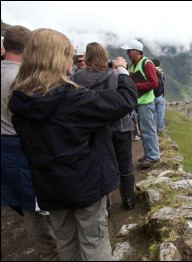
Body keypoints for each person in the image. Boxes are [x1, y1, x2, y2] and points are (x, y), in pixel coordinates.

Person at [8, 28, 137, 261]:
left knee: (66, 244)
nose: (71, 59)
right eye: (68, 54)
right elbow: (125, 101)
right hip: (84, 183)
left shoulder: (19, 100)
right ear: (57, 58)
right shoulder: (73, 99)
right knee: (94, 242)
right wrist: (122, 71)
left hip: (49, 185)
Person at [1, 25, 59, 261]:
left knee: (28, 207)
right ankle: (53, 255)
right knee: (39, 209)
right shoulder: (22, 81)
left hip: (6, 151)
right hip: (22, 150)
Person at [73, 42, 136, 210]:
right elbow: (129, 96)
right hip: (120, 127)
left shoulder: (78, 77)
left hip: (96, 129)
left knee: (101, 166)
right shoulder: (116, 76)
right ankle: (129, 200)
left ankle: (105, 207)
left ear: (87, 58)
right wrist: (122, 69)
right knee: (125, 165)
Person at [121, 39, 161, 168]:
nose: (127, 53)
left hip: (146, 102)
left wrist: (134, 85)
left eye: (129, 51)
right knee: (143, 129)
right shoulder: (132, 65)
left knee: (148, 129)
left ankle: (153, 155)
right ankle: (148, 153)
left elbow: (154, 83)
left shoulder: (146, 64)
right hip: (138, 102)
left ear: (136, 51)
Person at [152, 58, 165, 135]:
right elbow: (163, 80)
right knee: (160, 113)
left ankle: (153, 129)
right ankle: (160, 130)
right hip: (160, 96)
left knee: (153, 113)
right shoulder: (161, 72)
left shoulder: (151, 71)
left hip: (152, 96)